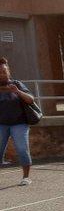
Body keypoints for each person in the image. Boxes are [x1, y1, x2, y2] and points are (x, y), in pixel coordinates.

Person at [0, 57, 35, 185]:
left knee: (21, 149)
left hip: (19, 123)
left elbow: (31, 99)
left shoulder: (17, 84)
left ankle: (26, 177)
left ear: (8, 71)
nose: (2, 74)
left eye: (4, 71)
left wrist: (17, 91)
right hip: (1, 124)